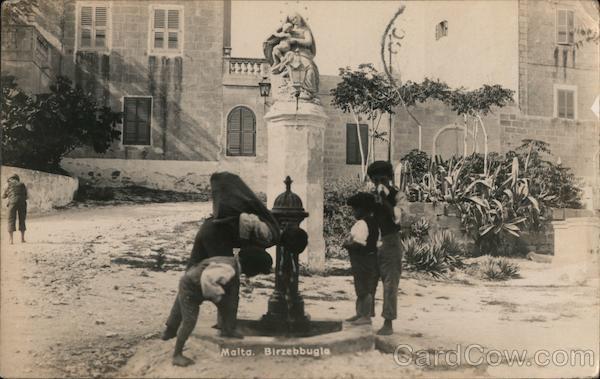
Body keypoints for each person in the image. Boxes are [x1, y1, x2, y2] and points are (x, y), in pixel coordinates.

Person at [162, 247, 273, 367]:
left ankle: (227, 330)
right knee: (189, 321)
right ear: (252, 267)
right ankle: (177, 355)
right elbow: (207, 280)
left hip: (202, 285)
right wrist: (218, 298)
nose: (256, 274)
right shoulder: (228, 269)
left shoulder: (233, 264)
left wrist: (223, 301)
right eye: (258, 271)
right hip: (191, 288)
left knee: (227, 305)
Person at [367, 161, 406, 336]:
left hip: (391, 242)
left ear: (390, 178)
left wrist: (384, 200)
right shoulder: (371, 195)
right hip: (373, 242)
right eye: (375, 180)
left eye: (382, 179)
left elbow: (397, 218)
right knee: (368, 280)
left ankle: (388, 322)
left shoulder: (399, 196)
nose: (379, 183)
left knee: (390, 284)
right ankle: (365, 316)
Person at [343, 192, 379, 326]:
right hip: (366, 259)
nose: (353, 212)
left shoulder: (363, 224)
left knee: (365, 288)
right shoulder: (372, 222)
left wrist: (347, 244)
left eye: (355, 209)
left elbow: (359, 243)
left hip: (364, 260)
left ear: (362, 209)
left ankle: (366, 315)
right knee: (361, 287)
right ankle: (360, 313)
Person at [2, 174, 28, 244]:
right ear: (17, 179)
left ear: (10, 179)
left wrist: (10, 195)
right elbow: (27, 196)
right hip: (22, 203)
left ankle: (11, 240)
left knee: (11, 220)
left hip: (12, 203)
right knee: (22, 219)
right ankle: (22, 239)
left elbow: (3, 196)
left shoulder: (7, 184)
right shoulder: (22, 184)